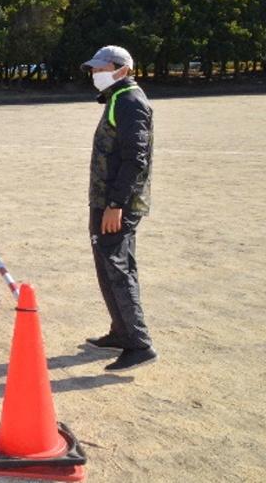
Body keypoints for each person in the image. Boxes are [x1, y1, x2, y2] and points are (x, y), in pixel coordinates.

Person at [81, 45, 157, 372]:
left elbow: (134, 159)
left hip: (116, 204)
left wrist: (115, 205)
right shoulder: (117, 98)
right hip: (105, 201)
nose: (96, 74)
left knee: (117, 269)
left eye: (103, 68)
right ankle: (121, 331)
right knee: (109, 265)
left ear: (123, 69)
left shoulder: (129, 102)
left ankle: (139, 343)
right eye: (95, 69)